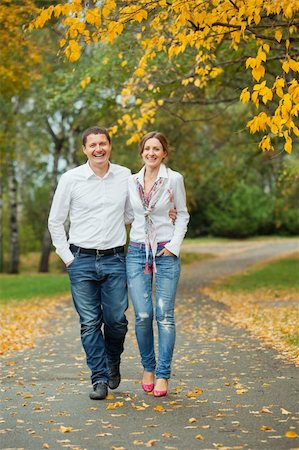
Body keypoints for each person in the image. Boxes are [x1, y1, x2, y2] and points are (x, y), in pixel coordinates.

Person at [48, 126, 132, 400]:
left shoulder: (124, 176)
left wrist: (163, 210)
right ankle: (99, 378)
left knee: (116, 320)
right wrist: (68, 257)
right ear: (84, 149)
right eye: (92, 145)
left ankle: (112, 360)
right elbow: (56, 221)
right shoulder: (71, 179)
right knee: (89, 323)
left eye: (103, 143)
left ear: (110, 146)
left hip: (115, 258)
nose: (98, 149)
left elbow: (132, 214)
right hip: (81, 260)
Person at [126, 131, 189, 397]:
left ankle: (163, 374)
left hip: (165, 251)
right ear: (141, 152)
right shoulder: (131, 181)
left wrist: (173, 247)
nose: (151, 153)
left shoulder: (174, 179)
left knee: (164, 315)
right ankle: (148, 368)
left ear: (164, 153)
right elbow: (128, 213)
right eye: (147, 148)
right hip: (138, 251)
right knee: (142, 315)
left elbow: (183, 214)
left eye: (157, 149)